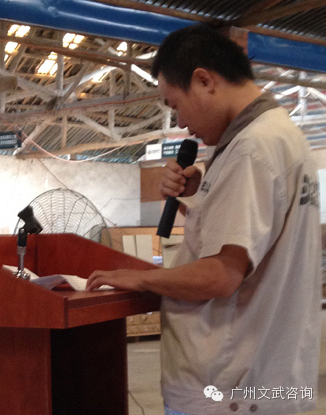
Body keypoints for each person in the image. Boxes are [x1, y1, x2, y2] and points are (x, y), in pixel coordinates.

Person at [86, 24, 322, 415]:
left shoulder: (251, 149)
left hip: (228, 391)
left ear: (204, 81)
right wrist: (202, 191)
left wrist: (140, 277)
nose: (180, 123)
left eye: (175, 105)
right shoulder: (281, 136)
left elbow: (220, 275)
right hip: (264, 385)